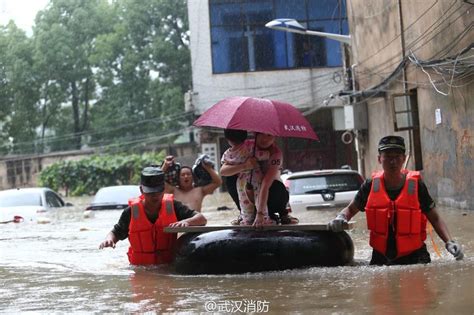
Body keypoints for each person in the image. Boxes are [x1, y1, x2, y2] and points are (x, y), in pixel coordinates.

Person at [328, 135, 464, 265]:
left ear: (404, 158)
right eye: (387, 157)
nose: (392, 162)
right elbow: (351, 209)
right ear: (379, 159)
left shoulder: (417, 186)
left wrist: (449, 242)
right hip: (381, 257)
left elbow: (435, 218)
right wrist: (341, 217)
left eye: (397, 157)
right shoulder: (370, 186)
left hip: (415, 256)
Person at [99, 166, 207, 265]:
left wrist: (186, 222)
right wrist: (109, 239)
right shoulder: (131, 212)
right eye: (150, 192)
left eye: (158, 191)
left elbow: (202, 219)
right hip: (140, 269)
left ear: (163, 189)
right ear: (142, 190)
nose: (154, 196)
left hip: (168, 266)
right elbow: (116, 232)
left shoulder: (173, 206)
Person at [221, 129, 298, 226]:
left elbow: (266, 184)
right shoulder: (245, 147)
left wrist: (260, 214)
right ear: (255, 134)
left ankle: (278, 213)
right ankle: (245, 215)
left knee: (276, 187)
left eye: (269, 135)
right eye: (261, 134)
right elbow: (223, 171)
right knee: (231, 178)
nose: (265, 139)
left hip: (271, 192)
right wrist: (244, 166)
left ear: (275, 137)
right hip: (246, 187)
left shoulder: (275, 154)